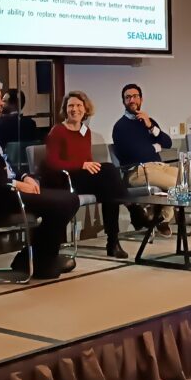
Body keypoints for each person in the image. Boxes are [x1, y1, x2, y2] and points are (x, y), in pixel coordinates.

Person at [0, 75, 79, 280]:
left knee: (68, 199)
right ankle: (41, 260)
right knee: (65, 202)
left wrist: (24, 176)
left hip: (6, 189)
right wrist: (15, 184)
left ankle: (35, 258)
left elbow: (3, 162)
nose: (1, 103)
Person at [45, 91, 129, 259]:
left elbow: (87, 159)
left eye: (78, 105)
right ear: (65, 109)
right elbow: (52, 163)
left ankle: (113, 242)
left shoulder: (85, 131)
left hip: (83, 178)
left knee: (109, 187)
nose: (74, 109)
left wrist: (88, 165)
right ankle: (131, 210)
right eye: (70, 106)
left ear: (85, 109)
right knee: (109, 171)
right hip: (66, 179)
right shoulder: (58, 131)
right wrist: (82, 165)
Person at [112, 83, 191, 237]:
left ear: (141, 99)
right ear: (123, 102)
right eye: (128, 97)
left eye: (135, 96)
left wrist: (151, 126)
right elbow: (132, 152)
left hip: (160, 166)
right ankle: (163, 218)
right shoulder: (120, 127)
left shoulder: (148, 121)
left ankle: (156, 216)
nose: (132, 100)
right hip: (138, 171)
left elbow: (168, 143)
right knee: (178, 186)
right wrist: (155, 147)